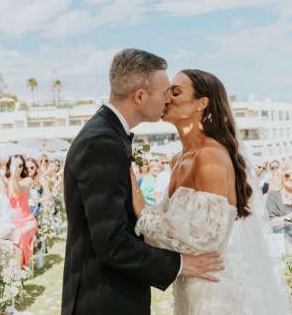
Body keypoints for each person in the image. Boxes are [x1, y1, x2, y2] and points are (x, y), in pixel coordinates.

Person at [62, 50, 223, 315]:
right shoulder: (101, 142)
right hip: (104, 301)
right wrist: (181, 264)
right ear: (139, 96)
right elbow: (111, 242)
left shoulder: (109, 134)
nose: (168, 99)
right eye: (164, 93)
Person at [131, 69, 291, 314]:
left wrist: (141, 207)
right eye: (166, 92)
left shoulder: (210, 156)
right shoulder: (177, 159)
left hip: (212, 290)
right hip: (187, 285)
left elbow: (206, 236)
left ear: (202, 103)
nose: (166, 98)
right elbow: (169, 230)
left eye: (175, 92)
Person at [2, 155, 37, 266]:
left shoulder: (27, 180)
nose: (18, 168)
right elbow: (2, 200)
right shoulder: (3, 180)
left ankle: (18, 273)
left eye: (20, 165)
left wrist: (13, 177)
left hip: (26, 221)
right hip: (9, 221)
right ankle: (5, 271)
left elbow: (19, 191)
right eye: (15, 165)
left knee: (18, 234)